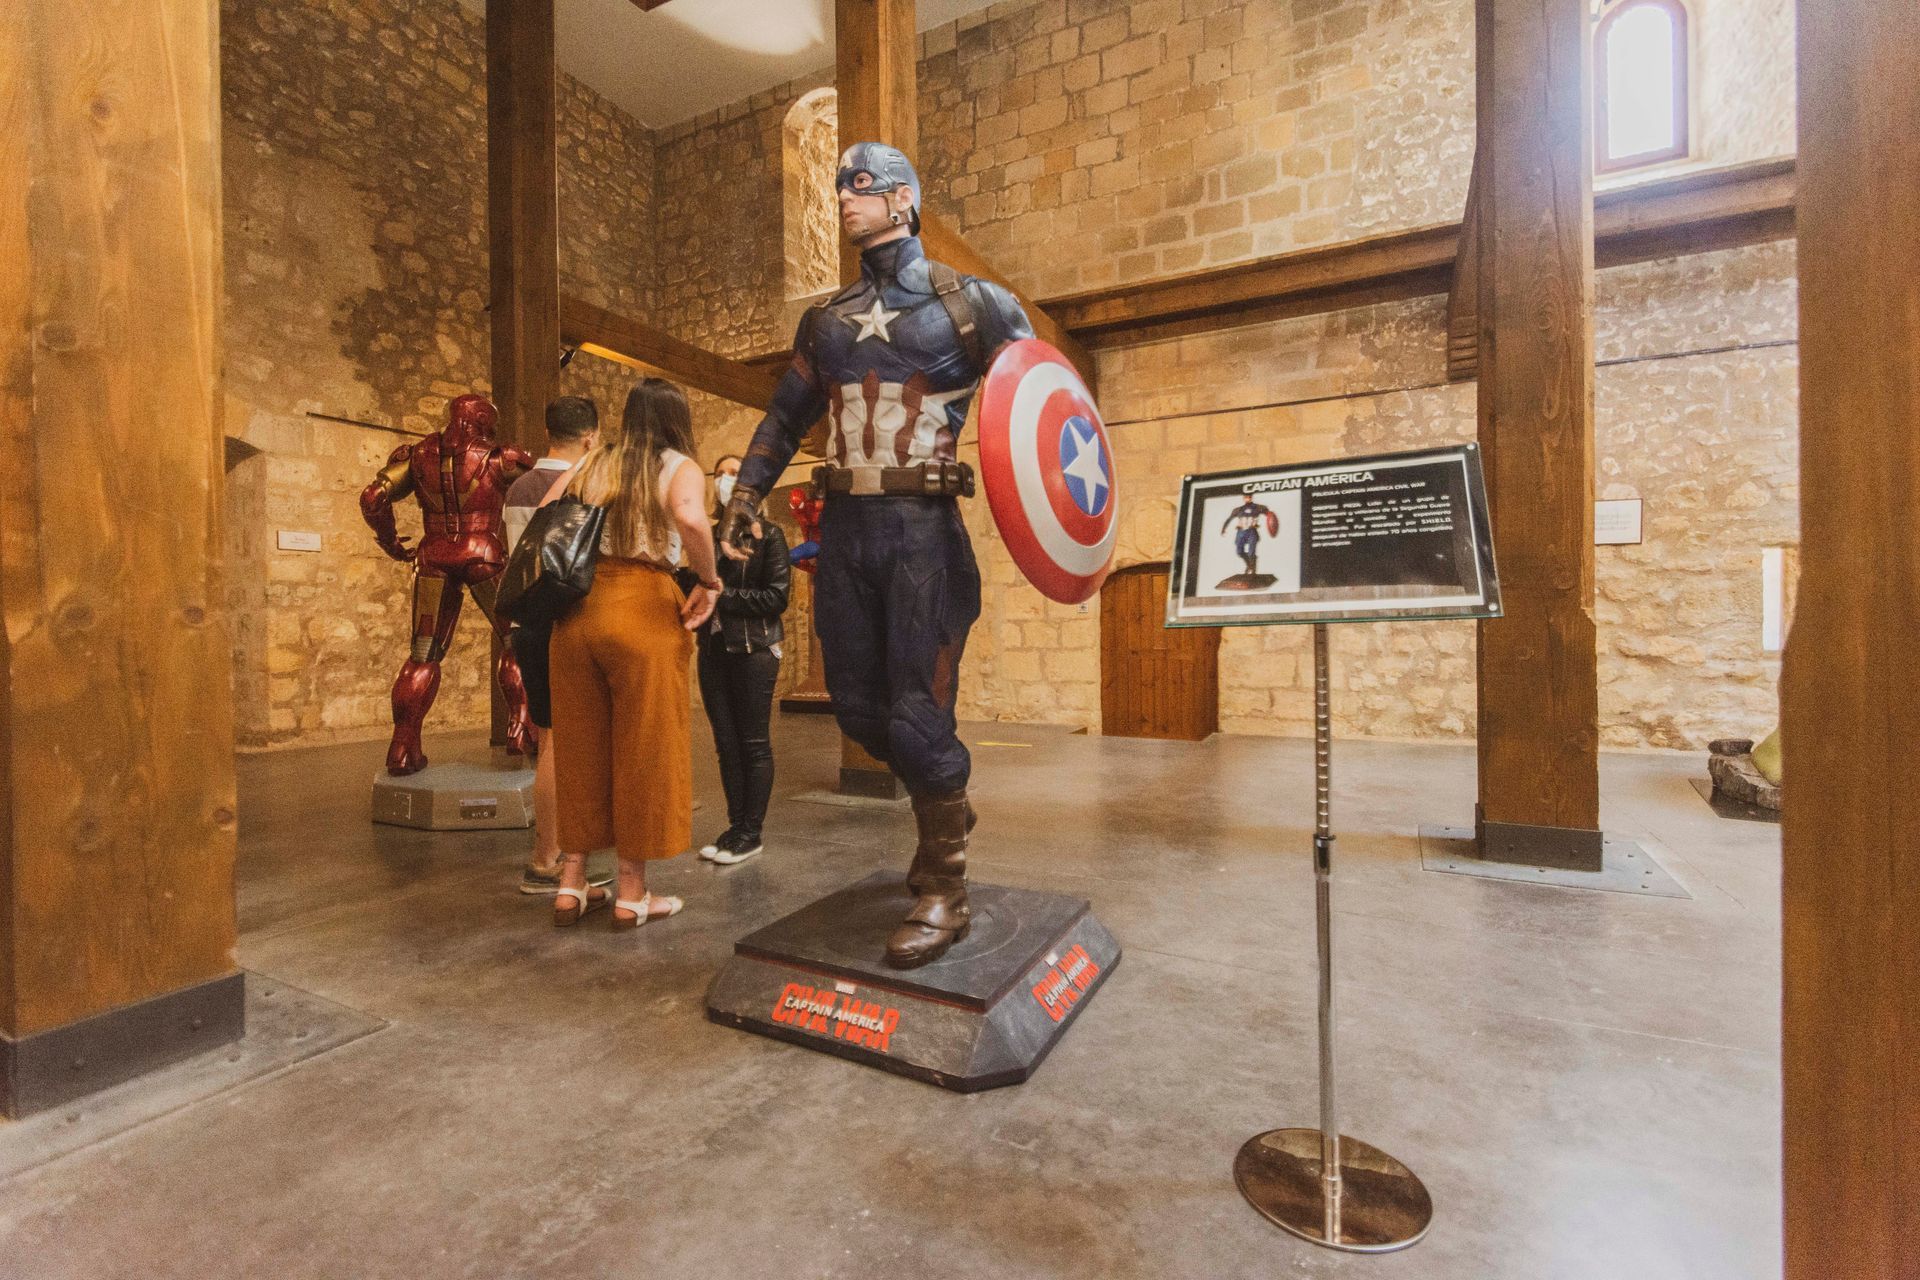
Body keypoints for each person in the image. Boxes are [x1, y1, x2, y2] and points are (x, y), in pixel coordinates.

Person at [718, 142, 1034, 967]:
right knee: (858, 712)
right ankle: (947, 796)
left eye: (861, 187)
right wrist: (747, 496)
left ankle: (943, 888)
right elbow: (784, 417)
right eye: (840, 188)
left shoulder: (974, 307)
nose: (845, 200)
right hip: (849, 529)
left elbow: (1040, 404)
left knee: (915, 713)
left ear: (904, 201)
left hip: (923, 532)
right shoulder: (825, 320)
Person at [545, 378, 721, 928]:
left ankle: (571, 883)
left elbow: (547, 508)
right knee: (645, 746)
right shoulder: (677, 465)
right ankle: (631, 893)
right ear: (677, 418)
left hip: (577, 613)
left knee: (580, 745)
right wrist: (710, 580)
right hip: (643, 606)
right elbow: (691, 520)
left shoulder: (598, 460)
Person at [503, 396, 610, 896]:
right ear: (590, 436)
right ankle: (548, 857)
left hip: (528, 623)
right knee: (559, 743)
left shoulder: (520, 487)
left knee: (548, 737)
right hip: (567, 621)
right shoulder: (587, 484)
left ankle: (559, 851)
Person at [691, 454, 791, 866]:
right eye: (721, 474)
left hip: (755, 650)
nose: (727, 481)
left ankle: (752, 831)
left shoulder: (769, 536)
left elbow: (776, 597)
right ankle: (735, 827)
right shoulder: (708, 536)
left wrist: (722, 596)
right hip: (713, 650)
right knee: (725, 745)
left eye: (735, 474)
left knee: (753, 743)